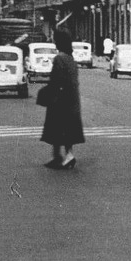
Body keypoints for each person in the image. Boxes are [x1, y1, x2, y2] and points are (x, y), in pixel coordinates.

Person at [39, 28, 85, 169]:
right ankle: (65, 155)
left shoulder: (59, 58)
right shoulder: (71, 59)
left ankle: (60, 156)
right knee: (67, 129)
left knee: (56, 127)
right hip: (72, 100)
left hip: (60, 100)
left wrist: (46, 93)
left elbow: (57, 80)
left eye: (55, 39)